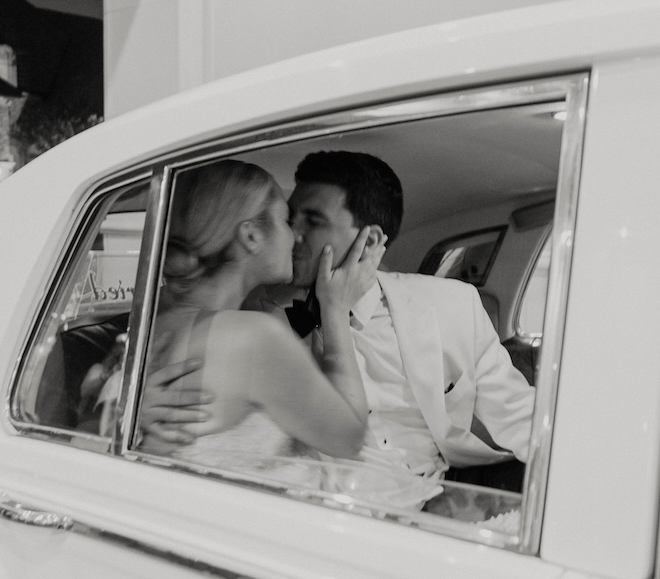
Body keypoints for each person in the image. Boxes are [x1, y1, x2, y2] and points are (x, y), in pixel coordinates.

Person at [144, 151, 535, 495]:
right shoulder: (255, 309)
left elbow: (520, 417)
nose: (294, 234)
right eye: (288, 218)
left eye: (312, 220)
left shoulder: (450, 305)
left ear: (369, 241)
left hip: (424, 499)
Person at [141, 158, 382, 464]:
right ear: (251, 236)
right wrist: (335, 309)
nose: (295, 236)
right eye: (285, 220)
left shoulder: (157, 322)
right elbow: (350, 439)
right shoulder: (254, 335)